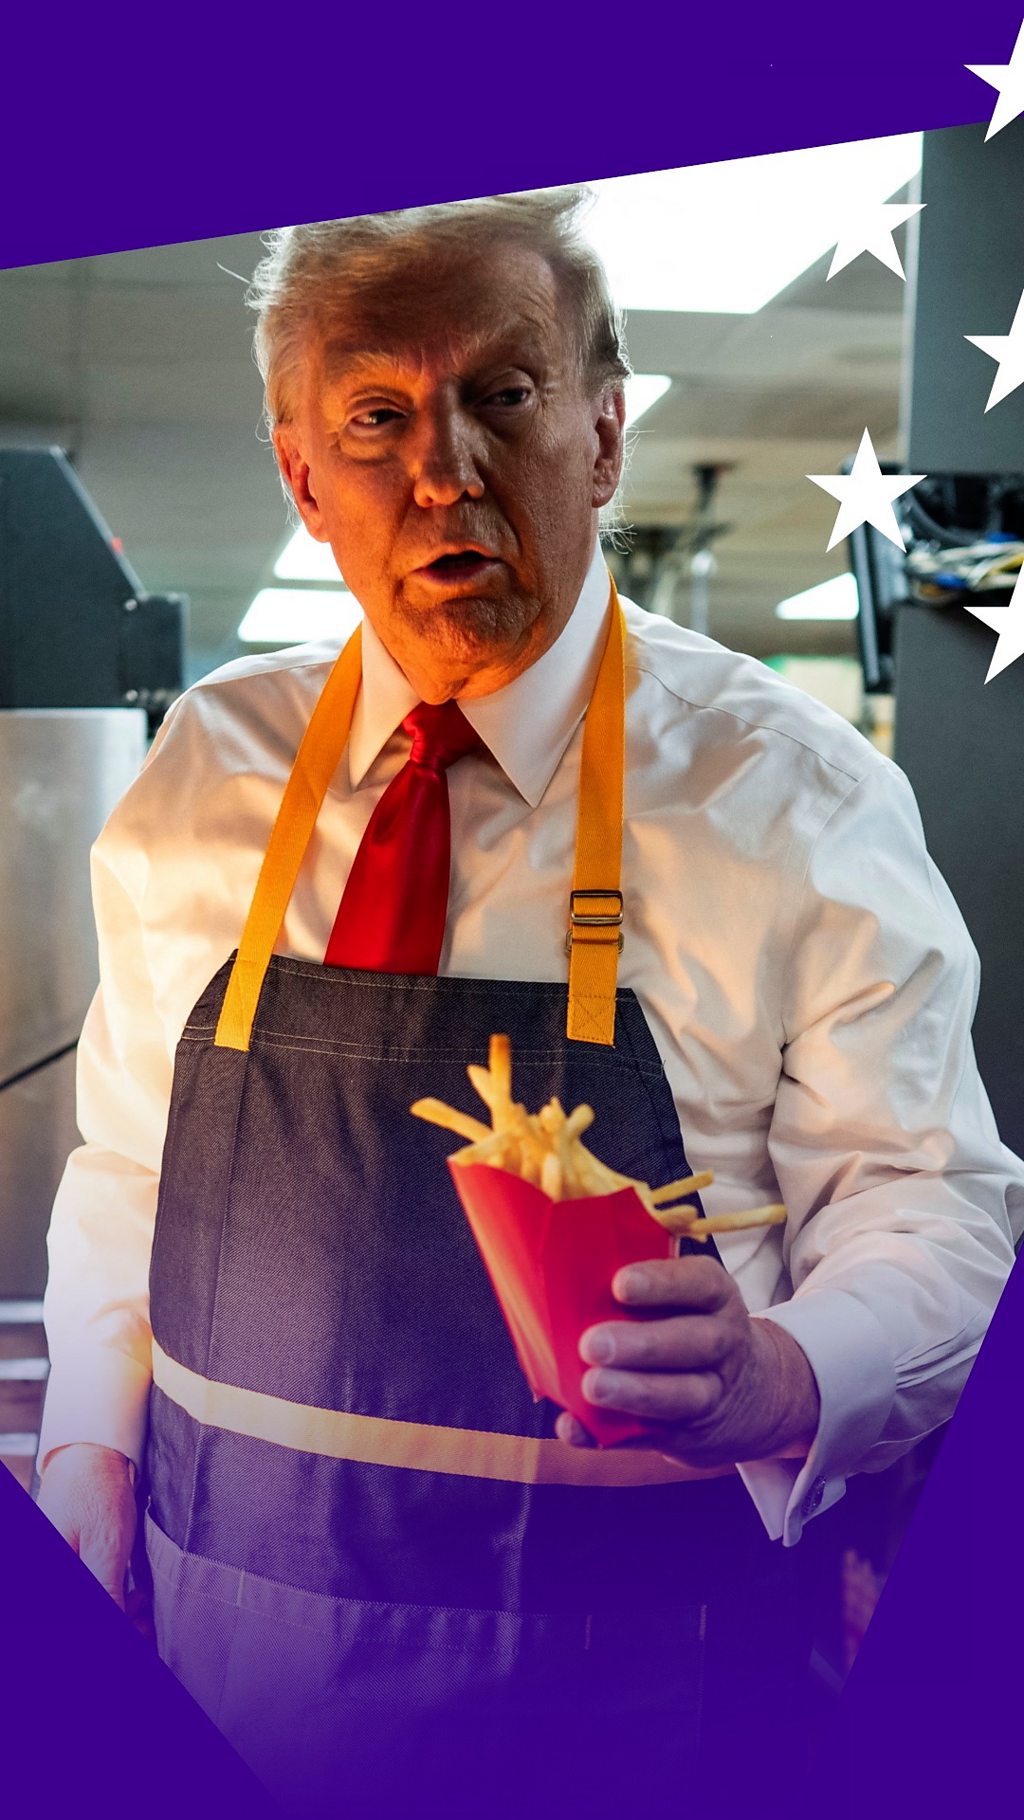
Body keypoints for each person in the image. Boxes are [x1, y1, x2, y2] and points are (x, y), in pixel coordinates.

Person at [36, 189, 1022, 1816]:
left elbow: (938, 1206)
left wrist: (785, 1370)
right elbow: (130, 1168)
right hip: (223, 1670)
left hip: (648, 1702)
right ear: (302, 474)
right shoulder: (210, 769)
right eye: (377, 414)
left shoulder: (796, 798)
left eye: (504, 395)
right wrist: (87, 1448)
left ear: (606, 435)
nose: (447, 467)